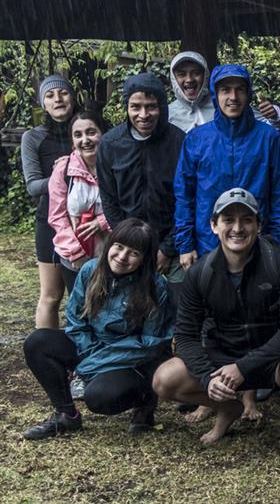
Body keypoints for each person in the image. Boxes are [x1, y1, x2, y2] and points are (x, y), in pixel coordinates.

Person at [152, 188, 280, 453]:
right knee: (164, 379)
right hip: (223, 359)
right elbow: (185, 336)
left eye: (246, 219)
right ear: (213, 225)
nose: (237, 228)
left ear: (258, 225)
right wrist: (209, 378)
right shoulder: (199, 273)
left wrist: (243, 367)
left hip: (271, 361)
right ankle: (227, 407)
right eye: (228, 219)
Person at [21, 218, 174, 439]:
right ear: (110, 244)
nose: (122, 257)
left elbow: (151, 344)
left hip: (132, 359)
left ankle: (144, 400)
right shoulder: (90, 270)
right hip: (93, 347)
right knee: (38, 342)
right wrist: (90, 353)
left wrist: (96, 362)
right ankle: (66, 415)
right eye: (119, 247)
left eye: (133, 253)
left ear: (144, 259)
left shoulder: (155, 286)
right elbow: (76, 320)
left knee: (99, 398)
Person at [174, 64, 280, 264]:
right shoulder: (197, 138)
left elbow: (279, 194)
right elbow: (184, 194)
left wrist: (276, 242)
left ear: (248, 93)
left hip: (258, 244)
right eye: (225, 90)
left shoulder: (269, 137)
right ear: (214, 94)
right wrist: (185, 245)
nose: (233, 97)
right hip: (208, 244)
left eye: (240, 90)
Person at [97, 72, 186, 286]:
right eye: (136, 106)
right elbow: (109, 199)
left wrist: (167, 248)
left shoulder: (179, 142)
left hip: (172, 245)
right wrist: (130, 245)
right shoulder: (110, 144)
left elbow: (188, 199)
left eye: (151, 106)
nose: (143, 114)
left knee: (175, 307)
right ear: (126, 107)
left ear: (162, 107)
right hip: (128, 246)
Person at [21, 75, 76, 328]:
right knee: (52, 297)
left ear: (72, 96)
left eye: (63, 93)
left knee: (89, 294)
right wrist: (64, 175)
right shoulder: (33, 137)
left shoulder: (89, 129)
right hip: (50, 222)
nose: (58, 99)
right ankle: (47, 356)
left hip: (87, 221)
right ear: (43, 103)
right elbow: (33, 186)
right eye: (50, 95)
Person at [48, 110, 113, 279]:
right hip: (74, 257)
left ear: (103, 134)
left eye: (91, 132)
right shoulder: (63, 170)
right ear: (72, 141)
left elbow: (128, 204)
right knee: (78, 305)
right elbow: (57, 216)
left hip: (114, 255)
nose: (85, 140)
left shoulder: (117, 165)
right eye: (78, 135)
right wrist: (76, 252)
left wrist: (102, 222)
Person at [167, 50, 280, 132]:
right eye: (182, 74)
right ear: (173, 78)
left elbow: (271, 129)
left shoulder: (224, 103)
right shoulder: (168, 115)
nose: (189, 79)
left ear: (206, 76)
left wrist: (275, 116)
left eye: (196, 73)